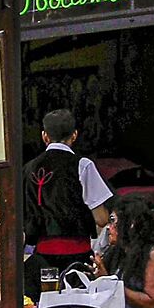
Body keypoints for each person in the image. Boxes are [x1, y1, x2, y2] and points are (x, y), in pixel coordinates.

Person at [21, 109, 113, 294]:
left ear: (44, 136)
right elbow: (101, 219)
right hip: (77, 258)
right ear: (74, 135)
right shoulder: (83, 165)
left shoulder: (28, 169)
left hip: (41, 260)